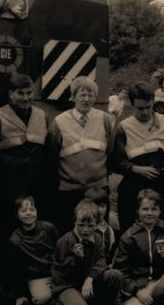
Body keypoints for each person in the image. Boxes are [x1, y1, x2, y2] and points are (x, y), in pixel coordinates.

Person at [0, 74, 49, 288]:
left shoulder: (42, 116)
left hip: (36, 188)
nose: (25, 97)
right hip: (7, 193)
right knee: (8, 238)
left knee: (36, 236)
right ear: (10, 94)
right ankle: (9, 287)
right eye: (20, 93)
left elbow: (47, 154)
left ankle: (33, 283)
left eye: (29, 92)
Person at [46, 76, 114, 234]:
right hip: (69, 191)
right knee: (69, 232)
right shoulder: (59, 122)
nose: (86, 99)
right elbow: (51, 158)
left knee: (99, 231)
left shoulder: (104, 119)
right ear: (73, 97)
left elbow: (110, 151)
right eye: (82, 94)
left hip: (98, 189)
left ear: (95, 98)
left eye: (90, 95)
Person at [112, 82, 164, 234]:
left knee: (163, 229)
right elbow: (115, 162)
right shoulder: (123, 127)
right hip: (134, 183)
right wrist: (136, 169)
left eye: (149, 107)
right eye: (140, 108)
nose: (145, 112)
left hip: (161, 182)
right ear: (131, 104)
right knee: (130, 230)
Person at [52, 200, 124, 305]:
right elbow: (62, 274)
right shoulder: (65, 241)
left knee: (115, 275)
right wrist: (74, 258)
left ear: (97, 224)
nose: (85, 230)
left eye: (90, 226)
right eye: (81, 225)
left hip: (87, 282)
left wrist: (89, 279)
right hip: (67, 285)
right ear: (74, 222)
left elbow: (101, 262)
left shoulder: (97, 239)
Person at [5, 195, 58, 305]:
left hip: (55, 271)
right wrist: (20, 294)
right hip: (37, 277)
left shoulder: (48, 228)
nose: (28, 213)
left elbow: (58, 250)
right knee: (41, 298)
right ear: (17, 214)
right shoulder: (15, 240)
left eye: (32, 209)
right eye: (23, 211)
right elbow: (16, 269)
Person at [84, 187, 116, 263]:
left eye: (102, 206)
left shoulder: (109, 230)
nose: (100, 210)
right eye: (96, 206)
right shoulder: (84, 229)